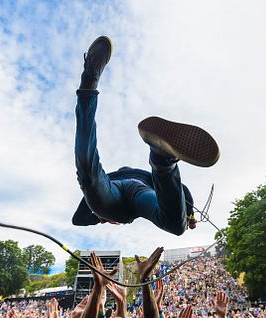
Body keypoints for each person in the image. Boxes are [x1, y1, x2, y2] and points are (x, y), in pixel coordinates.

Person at [71, 36, 220, 236]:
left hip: (112, 191)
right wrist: (190, 214)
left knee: (89, 176)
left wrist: (99, 218)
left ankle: (90, 80)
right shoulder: (144, 177)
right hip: (139, 192)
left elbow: (78, 220)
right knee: (176, 225)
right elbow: (182, 190)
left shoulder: (111, 178)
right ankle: (161, 160)